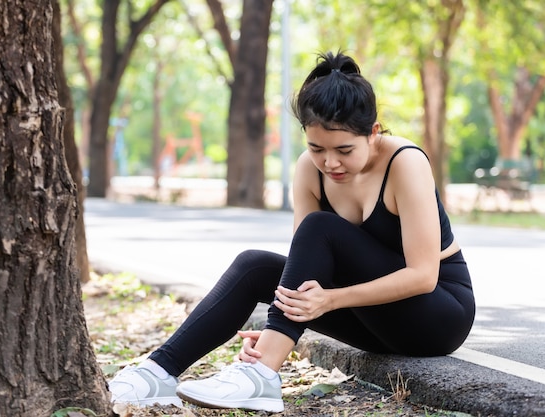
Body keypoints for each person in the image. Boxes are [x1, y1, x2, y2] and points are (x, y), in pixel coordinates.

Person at [107, 51, 475, 413]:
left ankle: (261, 374)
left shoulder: (405, 162)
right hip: (374, 321)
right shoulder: (309, 170)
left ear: (373, 133)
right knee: (254, 267)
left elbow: (423, 276)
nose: (330, 162)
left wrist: (328, 302)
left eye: (344, 150)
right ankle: (158, 372)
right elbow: (305, 268)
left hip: (438, 316)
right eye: (316, 148)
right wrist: (277, 330)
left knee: (320, 226)